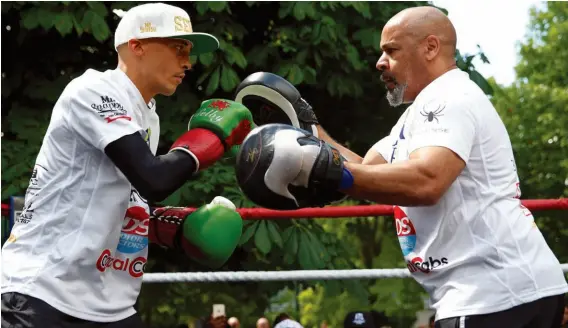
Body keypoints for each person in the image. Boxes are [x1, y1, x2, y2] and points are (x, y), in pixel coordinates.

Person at [233, 5, 568, 328]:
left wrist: (313, 162)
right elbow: (368, 170)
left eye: (391, 51)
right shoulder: (420, 112)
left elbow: (426, 181)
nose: (380, 62)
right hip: (499, 290)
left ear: (430, 47)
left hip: (494, 292)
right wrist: (307, 129)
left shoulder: (449, 98)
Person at [1, 3, 253, 328]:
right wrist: (212, 137)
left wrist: (170, 229)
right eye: (178, 49)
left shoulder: (149, 114)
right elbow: (153, 177)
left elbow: (128, 196)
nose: (188, 62)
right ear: (137, 46)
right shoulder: (94, 90)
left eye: (188, 52)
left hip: (110, 302)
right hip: (42, 291)